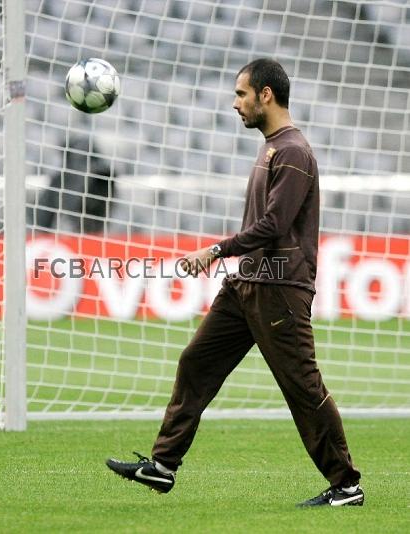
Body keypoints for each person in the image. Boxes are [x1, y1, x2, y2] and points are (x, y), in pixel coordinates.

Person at [106, 59, 363, 507]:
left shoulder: (294, 152)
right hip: (247, 286)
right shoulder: (272, 148)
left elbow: (274, 224)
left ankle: (346, 485)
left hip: (280, 289)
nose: (234, 102)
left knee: (302, 387)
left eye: (242, 93)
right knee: (196, 362)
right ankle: (163, 465)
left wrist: (215, 251)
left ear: (266, 95)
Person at [34, 136, 114, 234]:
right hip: (69, 234)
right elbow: (42, 219)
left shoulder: (103, 178)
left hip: (95, 232)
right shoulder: (59, 180)